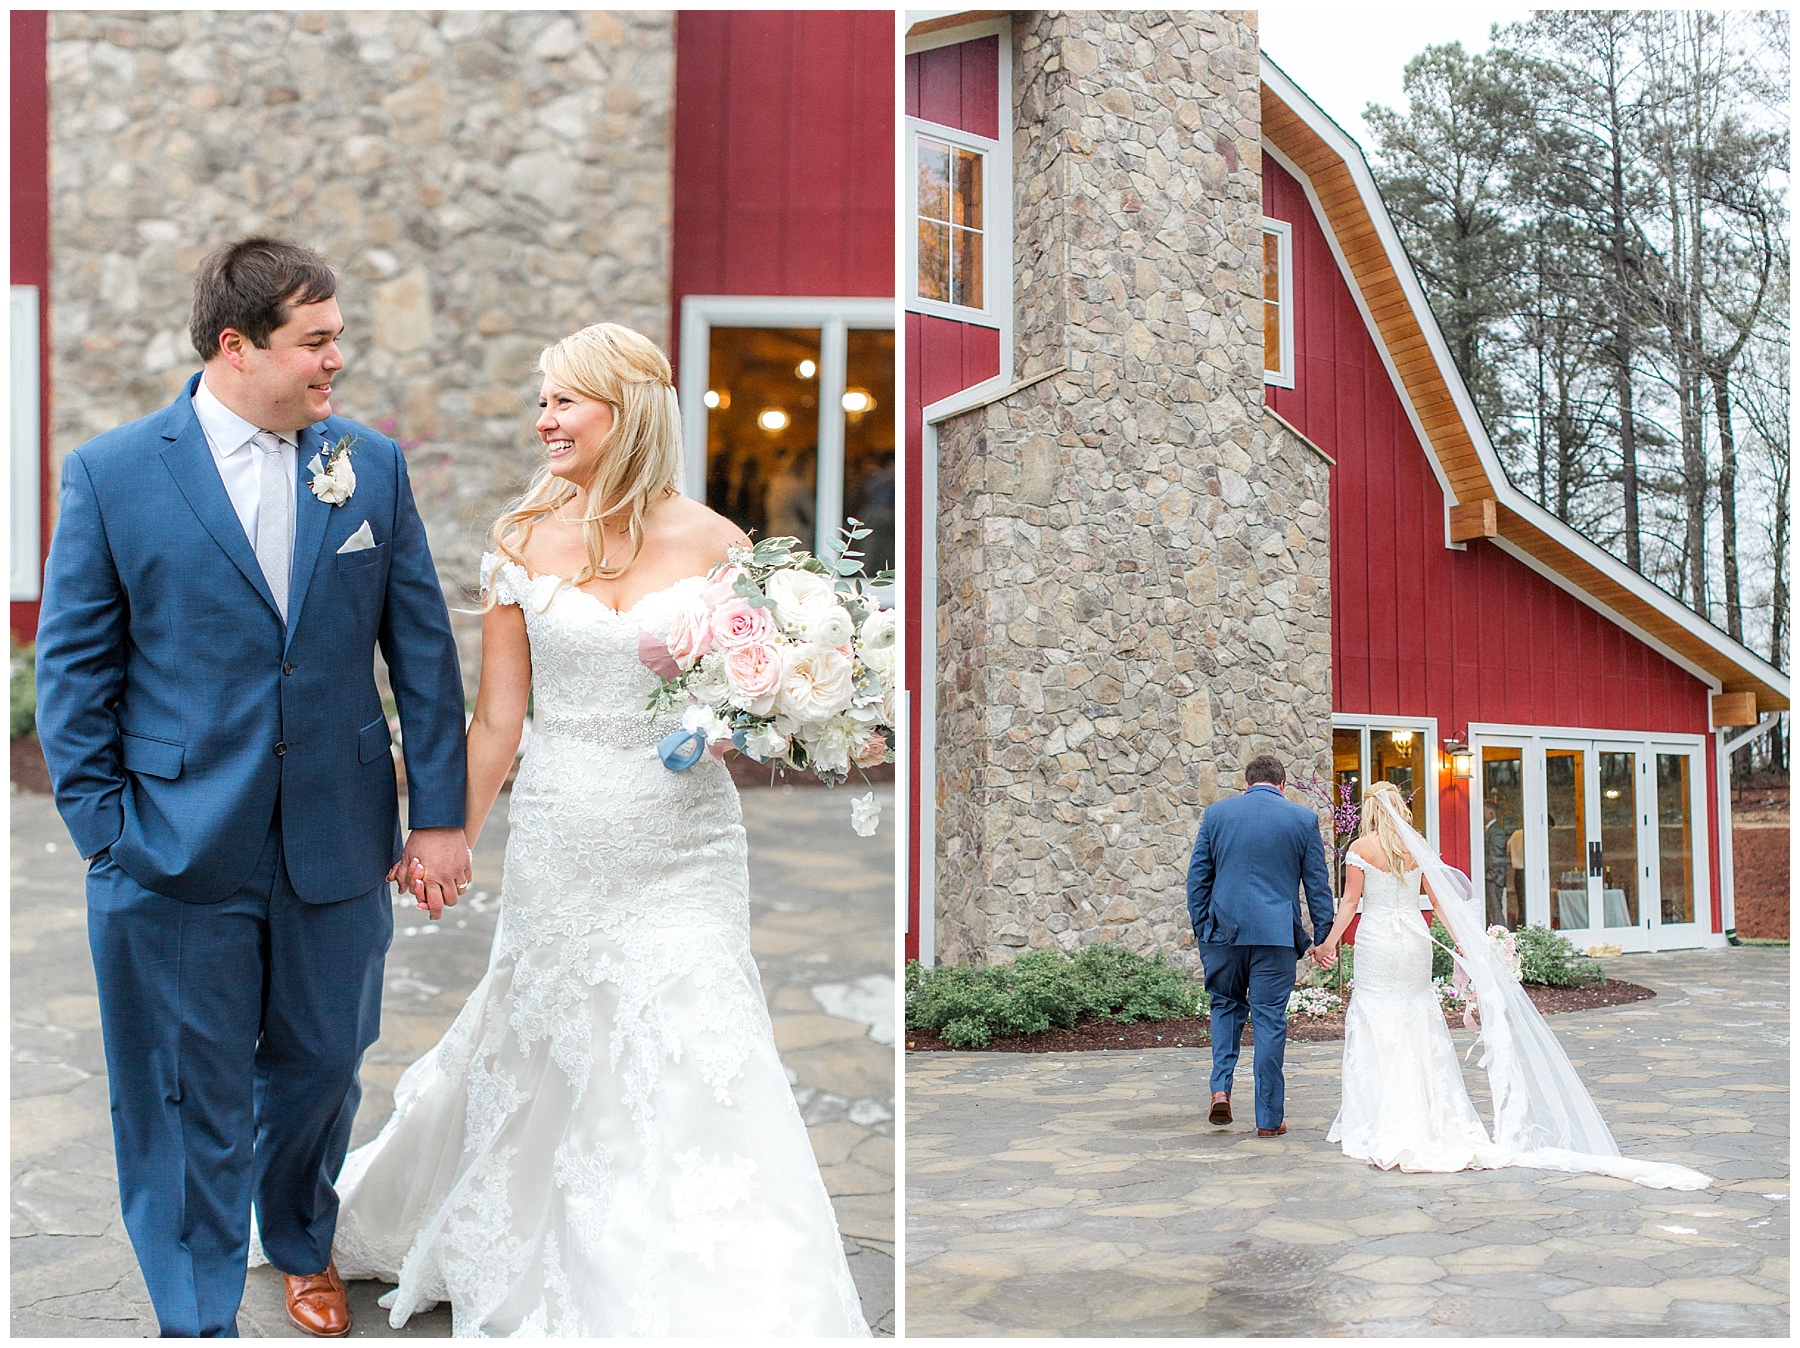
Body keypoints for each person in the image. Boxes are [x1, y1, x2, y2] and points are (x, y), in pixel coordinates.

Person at [324, 322, 872, 1336]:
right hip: (563, 833)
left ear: (625, 410)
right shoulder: (521, 542)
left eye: (564, 400)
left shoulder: (720, 547)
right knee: (557, 1037)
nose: (545, 420)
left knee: (697, 1031)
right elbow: (497, 723)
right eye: (542, 400)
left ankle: (718, 1269)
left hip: (686, 843)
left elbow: (761, 702)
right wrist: (450, 835)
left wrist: (769, 708)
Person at [34, 237, 470, 1338]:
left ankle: (299, 1237)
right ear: (236, 347)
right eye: (314, 340)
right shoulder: (114, 472)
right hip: (171, 846)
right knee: (183, 1088)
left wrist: (443, 815)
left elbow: (421, 651)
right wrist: (107, 833)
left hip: (337, 834)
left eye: (337, 337)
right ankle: (195, 1309)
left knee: (324, 1060)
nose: (337, 360)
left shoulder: (368, 465)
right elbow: (74, 675)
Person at [1312, 782, 1708, 1189]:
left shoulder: (1360, 849)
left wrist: (1327, 944)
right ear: (1398, 808)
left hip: (1377, 942)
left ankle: (1380, 1116)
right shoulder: (1417, 848)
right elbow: (1444, 905)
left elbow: (1349, 904)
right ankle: (1427, 1113)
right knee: (1417, 1015)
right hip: (1413, 942)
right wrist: (1468, 945)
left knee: (1376, 1017)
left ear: (1372, 811)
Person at [1185, 753, 1334, 1137]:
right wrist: (1324, 939)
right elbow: (1317, 887)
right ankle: (1269, 1120)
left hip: (1224, 935)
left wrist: (1204, 928)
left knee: (1225, 1007)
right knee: (1269, 1021)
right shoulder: (1302, 820)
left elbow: (1198, 880)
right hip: (1276, 937)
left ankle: (1220, 1088)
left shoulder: (1216, 815)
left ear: (1246, 782)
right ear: (1282, 785)